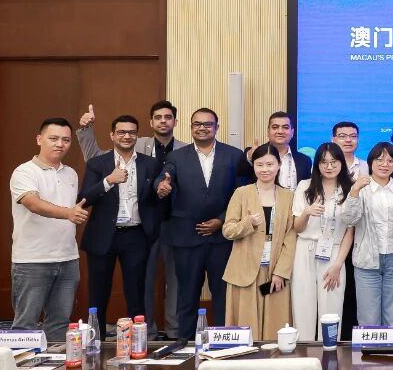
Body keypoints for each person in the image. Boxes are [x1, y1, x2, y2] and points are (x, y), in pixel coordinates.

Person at [79, 100, 188, 338]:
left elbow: (155, 196)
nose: (126, 136)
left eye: (131, 133)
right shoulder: (99, 164)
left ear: (138, 136)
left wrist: (161, 192)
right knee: (98, 291)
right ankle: (95, 338)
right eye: (121, 132)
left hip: (136, 235)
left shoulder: (150, 164)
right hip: (103, 235)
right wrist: (108, 181)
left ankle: (137, 341)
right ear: (112, 135)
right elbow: (85, 198)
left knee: (137, 292)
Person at [155, 108, 240, 339]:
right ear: (191, 127)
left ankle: (222, 342)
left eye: (207, 124)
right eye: (197, 124)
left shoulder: (234, 155)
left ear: (217, 127)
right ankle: (186, 342)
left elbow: (241, 194)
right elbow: (164, 176)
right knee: (187, 295)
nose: (202, 128)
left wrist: (221, 220)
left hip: (221, 239)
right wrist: (161, 186)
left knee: (222, 295)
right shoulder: (176, 157)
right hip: (186, 238)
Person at [10, 117, 86, 342]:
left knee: (60, 323)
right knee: (25, 325)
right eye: (53, 138)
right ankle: (22, 366)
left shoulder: (71, 173)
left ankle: (54, 365)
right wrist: (68, 213)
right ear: (39, 139)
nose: (60, 144)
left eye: (66, 140)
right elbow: (32, 203)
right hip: (32, 260)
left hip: (68, 259)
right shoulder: (24, 172)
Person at [223, 145, 297, 339]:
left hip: (274, 268)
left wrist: (281, 272)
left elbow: (290, 236)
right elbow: (227, 230)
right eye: (260, 164)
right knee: (246, 326)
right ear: (253, 166)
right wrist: (247, 223)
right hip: (245, 269)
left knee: (275, 326)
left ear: (279, 165)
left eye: (270, 164)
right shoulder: (241, 193)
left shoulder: (288, 196)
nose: (265, 169)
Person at [291, 143, 357, 342]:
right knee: (303, 305)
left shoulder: (349, 190)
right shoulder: (304, 186)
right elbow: (297, 228)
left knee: (332, 307)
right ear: (317, 165)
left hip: (334, 253)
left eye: (334, 162)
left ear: (341, 163)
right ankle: (304, 354)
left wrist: (338, 265)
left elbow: (350, 231)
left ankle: (329, 354)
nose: (329, 167)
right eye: (324, 162)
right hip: (305, 249)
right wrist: (306, 212)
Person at [349, 143, 393, 328]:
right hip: (367, 259)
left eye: (390, 161)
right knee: (368, 318)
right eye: (380, 160)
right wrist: (354, 191)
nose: (385, 164)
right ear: (370, 162)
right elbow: (349, 219)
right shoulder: (361, 188)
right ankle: (369, 348)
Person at [332, 121, 370, 336]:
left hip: (360, 236)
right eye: (342, 136)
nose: (348, 140)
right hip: (332, 236)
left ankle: (351, 334)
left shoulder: (366, 167)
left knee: (354, 289)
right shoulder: (325, 165)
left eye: (353, 136)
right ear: (333, 139)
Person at [239, 111, 312, 190]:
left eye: (285, 127)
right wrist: (250, 157)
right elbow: (241, 173)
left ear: (292, 132)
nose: (280, 131)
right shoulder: (255, 153)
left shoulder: (304, 161)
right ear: (268, 132)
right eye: (275, 127)